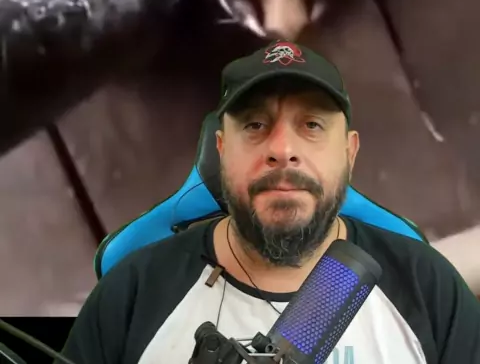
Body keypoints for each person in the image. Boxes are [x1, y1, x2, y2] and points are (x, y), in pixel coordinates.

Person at [60, 41, 480, 364]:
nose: (282, 149)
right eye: (255, 125)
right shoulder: (132, 295)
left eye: (311, 125)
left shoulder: (428, 287)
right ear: (222, 150)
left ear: (349, 153)